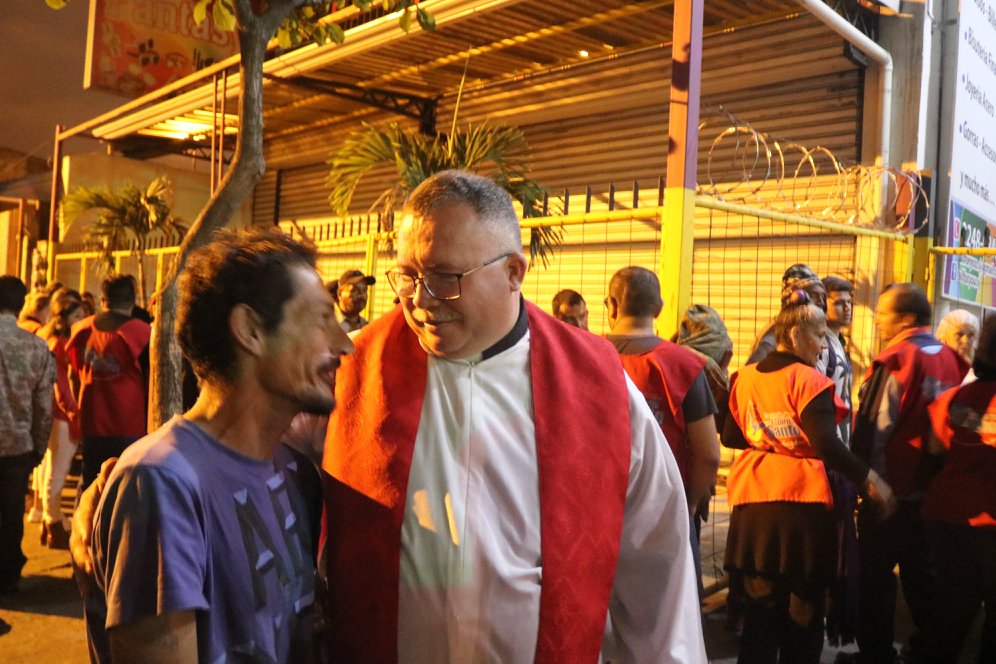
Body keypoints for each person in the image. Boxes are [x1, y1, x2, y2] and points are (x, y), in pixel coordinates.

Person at [323, 170, 706, 662]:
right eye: (408, 275)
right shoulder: (350, 368)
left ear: (513, 273)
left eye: (444, 277)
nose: (419, 299)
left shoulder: (599, 387)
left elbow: (658, 563)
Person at [83, 229, 351, 662]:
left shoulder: (295, 474)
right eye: (321, 320)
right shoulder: (162, 484)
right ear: (250, 331)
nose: (345, 344)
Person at [722, 289, 895, 664]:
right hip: (801, 509)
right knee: (804, 613)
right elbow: (827, 445)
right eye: (819, 336)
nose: (823, 347)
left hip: (753, 506)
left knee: (760, 616)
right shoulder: (809, 382)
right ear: (796, 334)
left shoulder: (744, 378)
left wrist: (769, 435)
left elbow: (731, 436)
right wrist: (870, 479)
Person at [850, 283, 969, 663]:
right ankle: (928, 652)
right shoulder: (951, 360)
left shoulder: (898, 359)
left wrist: (868, 482)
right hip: (933, 494)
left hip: (891, 492)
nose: (876, 319)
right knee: (923, 579)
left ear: (906, 319)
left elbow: (874, 428)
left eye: (883, 312)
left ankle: (876, 655)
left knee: (875, 578)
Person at [924, 315, 996, 663]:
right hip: (989, 522)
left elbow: (935, 448)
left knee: (950, 615)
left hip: (949, 517)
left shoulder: (956, 397)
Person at [67, 274, 152, 490]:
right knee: (126, 489)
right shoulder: (143, 334)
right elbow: (151, 383)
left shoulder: (81, 331)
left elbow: (74, 375)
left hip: (92, 423)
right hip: (130, 426)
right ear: (133, 301)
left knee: (91, 487)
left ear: (103, 299)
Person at [0, 276, 55, 592]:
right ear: (21, 305)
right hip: (17, 446)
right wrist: (39, 446)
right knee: (11, 515)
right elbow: (45, 406)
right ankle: (7, 577)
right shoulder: (36, 347)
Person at [820, 275, 859, 645]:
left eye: (849, 302)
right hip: (827, 458)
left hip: (839, 452)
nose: (847, 308)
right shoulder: (821, 345)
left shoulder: (837, 342)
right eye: (839, 302)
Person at [35, 288, 85, 549]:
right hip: (61, 414)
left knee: (53, 468)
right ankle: (52, 522)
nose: (81, 319)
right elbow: (61, 387)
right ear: (63, 318)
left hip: (57, 413)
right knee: (57, 470)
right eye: (76, 315)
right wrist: (74, 412)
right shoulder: (59, 344)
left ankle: (50, 522)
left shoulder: (56, 341)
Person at [746, 264, 827, 367]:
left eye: (823, 297)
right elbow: (754, 369)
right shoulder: (777, 332)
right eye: (814, 295)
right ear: (795, 297)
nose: (821, 302)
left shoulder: (812, 330)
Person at [936, 308, 979, 383]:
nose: (965, 341)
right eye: (959, 334)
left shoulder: (978, 375)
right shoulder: (937, 370)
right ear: (944, 337)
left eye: (971, 335)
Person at [329, 269, 376, 333]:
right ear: (339, 294)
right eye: (354, 290)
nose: (361, 295)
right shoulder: (327, 324)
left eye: (364, 290)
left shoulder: (367, 327)